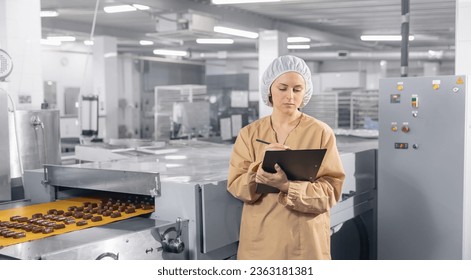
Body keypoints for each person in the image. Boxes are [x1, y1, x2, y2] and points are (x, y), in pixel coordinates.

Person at [227, 55, 345, 260]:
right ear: (269, 90)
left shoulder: (321, 133)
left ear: (305, 92)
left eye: (297, 89)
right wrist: (259, 170)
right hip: (260, 242)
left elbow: (330, 192)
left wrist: (288, 187)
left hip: (304, 242)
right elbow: (237, 186)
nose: (290, 96)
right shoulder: (249, 134)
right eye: (282, 88)